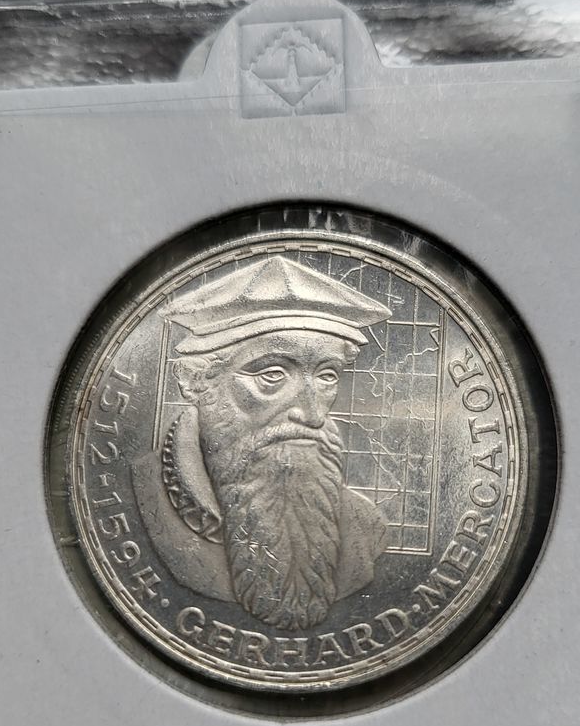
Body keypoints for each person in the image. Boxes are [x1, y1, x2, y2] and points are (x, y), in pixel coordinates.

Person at [132, 256, 392, 632]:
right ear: (194, 382)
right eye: (272, 375)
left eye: (326, 376)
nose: (312, 414)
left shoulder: (365, 525)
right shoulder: (137, 497)